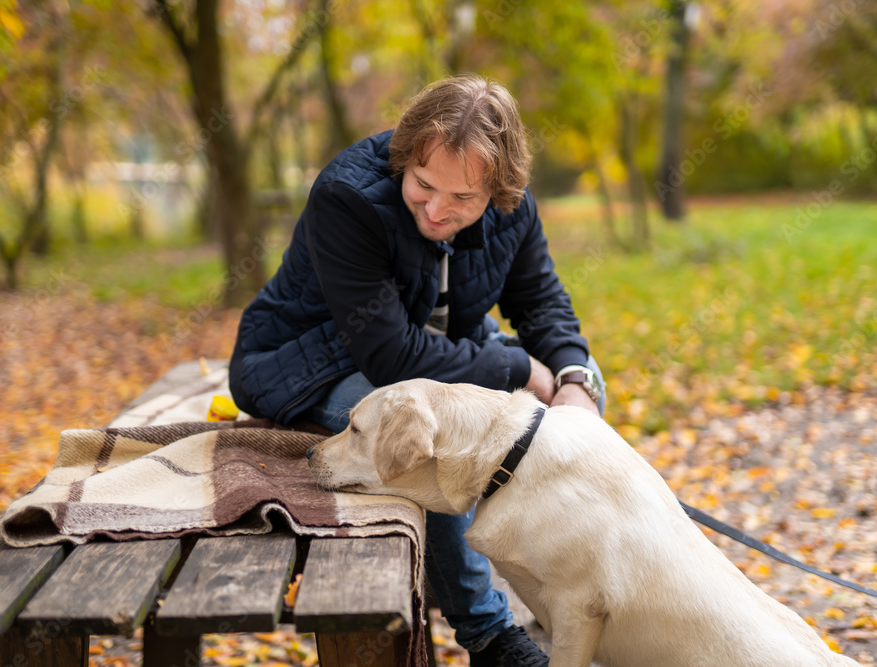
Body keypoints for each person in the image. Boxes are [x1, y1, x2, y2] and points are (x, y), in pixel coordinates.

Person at [229, 74, 605, 667]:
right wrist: (516, 366)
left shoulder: (513, 208)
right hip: (312, 359)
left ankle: (566, 580)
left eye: (462, 199)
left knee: (577, 383)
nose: (436, 208)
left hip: (439, 347)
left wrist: (573, 382)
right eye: (424, 185)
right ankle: (490, 636)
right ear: (405, 157)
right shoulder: (347, 198)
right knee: (422, 436)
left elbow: (540, 302)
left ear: (498, 191)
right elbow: (392, 358)